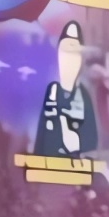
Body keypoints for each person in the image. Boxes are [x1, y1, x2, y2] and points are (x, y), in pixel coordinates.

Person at [32, 21, 97, 160]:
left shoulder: (83, 96)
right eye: (65, 51)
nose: (69, 59)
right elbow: (42, 139)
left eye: (74, 52)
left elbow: (91, 143)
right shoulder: (51, 92)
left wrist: (76, 143)